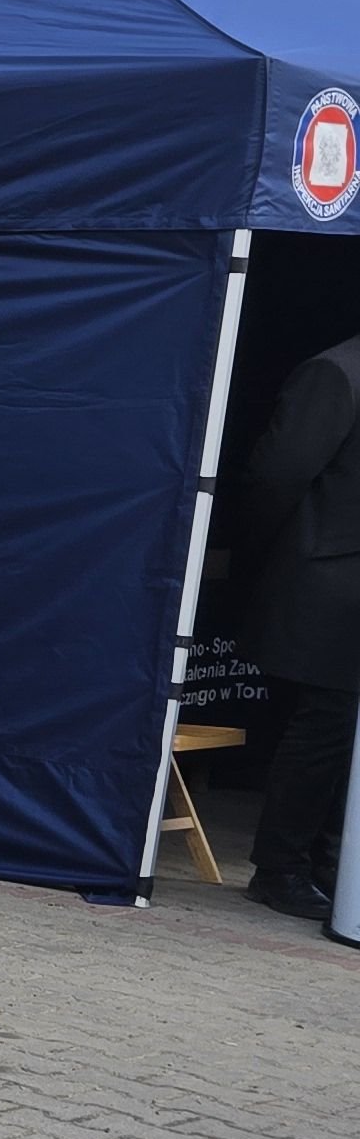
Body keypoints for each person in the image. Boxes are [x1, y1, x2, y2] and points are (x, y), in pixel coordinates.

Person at [232, 324, 360, 926]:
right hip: (325, 579)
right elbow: (275, 476)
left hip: (336, 578)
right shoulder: (335, 372)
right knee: (325, 725)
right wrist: (257, 557)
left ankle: (328, 863)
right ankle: (280, 867)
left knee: (340, 730)